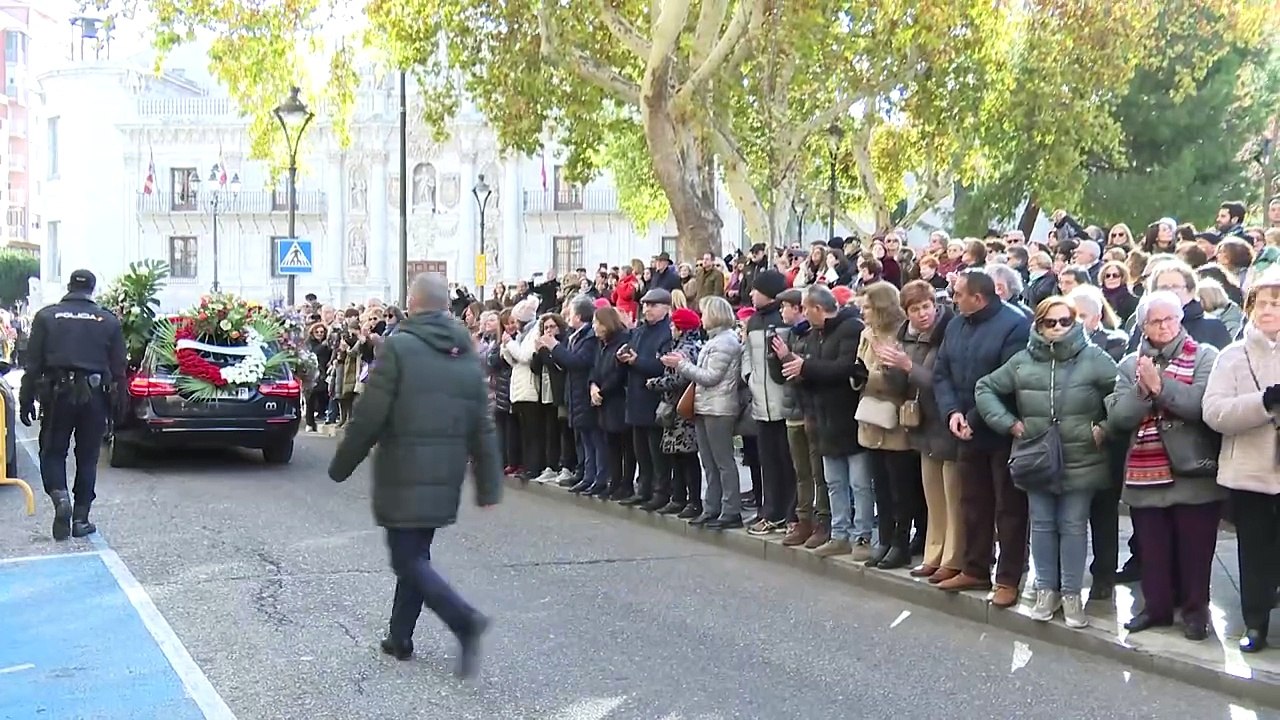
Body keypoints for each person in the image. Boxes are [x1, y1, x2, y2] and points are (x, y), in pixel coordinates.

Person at [328, 273, 500, 678]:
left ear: (412, 301)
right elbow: (482, 422)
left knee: (407, 560)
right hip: (446, 474)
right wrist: (488, 481)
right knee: (415, 556)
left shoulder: (399, 348)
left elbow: (369, 415)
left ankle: (463, 619)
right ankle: (399, 636)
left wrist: (342, 464)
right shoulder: (464, 349)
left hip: (403, 471)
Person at [974, 297, 1118, 628]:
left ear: (1075, 322)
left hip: (1081, 457)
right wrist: (1010, 423)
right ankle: (1045, 591)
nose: (1057, 328)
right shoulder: (1023, 360)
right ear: (1038, 324)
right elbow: (985, 388)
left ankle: (1071, 595)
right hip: (1036, 457)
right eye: (1049, 322)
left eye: (1064, 321)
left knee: (1072, 527)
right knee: (1040, 525)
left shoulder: (1094, 357)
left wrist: (1105, 428)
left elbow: (1122, 394)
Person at [1106, 291, 1223, 642]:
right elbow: (1118, 419)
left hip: (1193, 471)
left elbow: (1200, 407)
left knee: (1195, 551)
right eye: (1156, 321)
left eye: (1171, 318)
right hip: (1145, 472)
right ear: (1143, 325)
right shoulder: (1129, 364)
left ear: (1181, 320)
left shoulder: (1205, 356)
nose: (1165, 326)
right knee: (1153, 550)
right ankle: (1155, 608)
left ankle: (1195, 613)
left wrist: (1161, 388)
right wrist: (1143, 392)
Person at [933, 269, 1032, 608]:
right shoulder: (957, 324)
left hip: (1001, 428)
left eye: (958, 293)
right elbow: (941, 371)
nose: (952, 298)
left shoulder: (1016, 325)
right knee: (973, 503)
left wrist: (972, 416)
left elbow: (1007, 380)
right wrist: (952, 413)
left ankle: (1008, 577)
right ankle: (975, 567)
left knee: (1009, 507)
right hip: (964, 427)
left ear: (978, 297)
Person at [1202, 270, 1280, 653]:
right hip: (1251, 473)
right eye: (1261, 302)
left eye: (1276, 302)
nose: (1268, 310)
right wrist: (1264, 403)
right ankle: (1256, 624)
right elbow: (1214, 412)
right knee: (1254, 552)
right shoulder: (1232, 356)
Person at [20, 269, 126, 541]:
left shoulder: (47, 316)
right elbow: (118, 370)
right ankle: (81, 519)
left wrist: (26, 399)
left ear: (68, 286)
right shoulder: (108, 320)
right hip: (94, 397)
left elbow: (31, 364)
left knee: (53, 452)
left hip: (58, 394)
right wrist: (119, 406)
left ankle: (60, 498)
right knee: (88, 457)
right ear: (92, 289)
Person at [779, 285, 869, 558]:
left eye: (806, 308)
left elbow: (846, 368)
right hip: (823, 417)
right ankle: (839, 533)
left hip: (849, 417)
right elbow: (812, 372)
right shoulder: (815, 334)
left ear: (818, 308)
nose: (804, 314)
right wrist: (799, 371)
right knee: (834, 482)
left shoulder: (851, 328)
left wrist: (805, 367)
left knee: (860, 484)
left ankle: (862, 536)